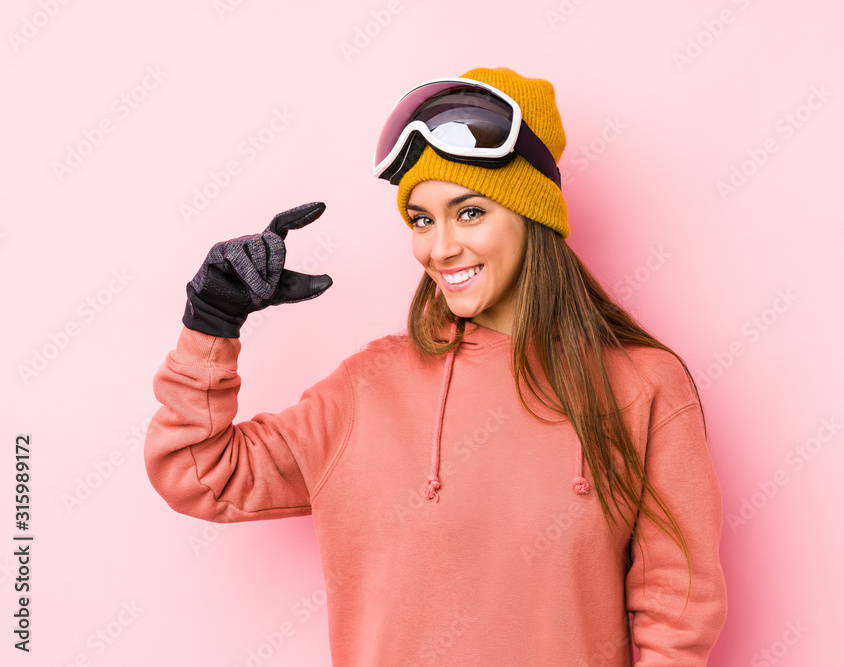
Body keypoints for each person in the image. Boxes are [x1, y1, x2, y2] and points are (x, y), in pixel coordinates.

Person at [144, 66, 727, 666]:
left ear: (532, 215)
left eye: (469, 212)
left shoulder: (641, 385)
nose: (439, 247)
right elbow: (199, 473)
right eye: (421, 219)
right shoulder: (369, 388)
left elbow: (676, 607)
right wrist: (211, 323)